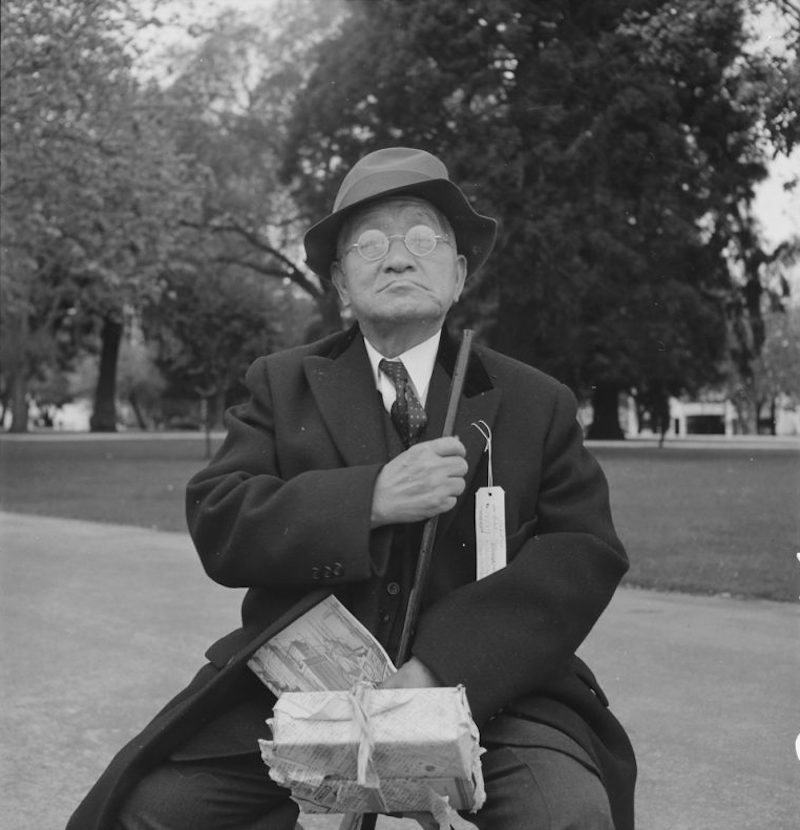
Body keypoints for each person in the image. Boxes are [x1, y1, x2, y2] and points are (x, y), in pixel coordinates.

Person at [68, 147, 636, 830]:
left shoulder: (534, 401)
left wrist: (439, 669)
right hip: (303, 695)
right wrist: (369, 499)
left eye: (424, 238)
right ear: (340, 285)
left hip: (493, 694)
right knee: (148, 813)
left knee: (567, 817)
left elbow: (583, 552)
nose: (398, 258)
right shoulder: (282, 384)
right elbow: (221, 517)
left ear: (457, 275)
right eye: (370, 243)